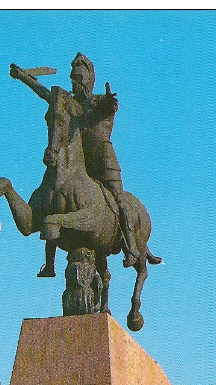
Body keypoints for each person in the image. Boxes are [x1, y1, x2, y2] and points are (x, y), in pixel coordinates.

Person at [10, 53, 142, 274]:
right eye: (73, 78)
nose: (75, 83)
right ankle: (49, 264)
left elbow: (111, 106)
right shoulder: (69, 104)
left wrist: (111, 102)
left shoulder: (98, 100)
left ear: (89, 80)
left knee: (120, 200)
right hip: (77, 162)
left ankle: (131, 247)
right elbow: (45, 93)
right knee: (55, 192)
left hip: (103, 162)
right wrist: (24, 77)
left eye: (79, 78)